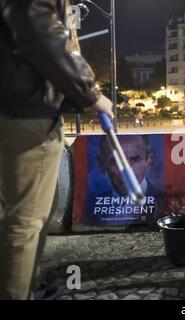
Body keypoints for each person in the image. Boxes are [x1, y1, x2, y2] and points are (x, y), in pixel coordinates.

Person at [0, 0, 114, 299]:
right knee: (25, 221)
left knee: (33, 213)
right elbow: (38, 28)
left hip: (26, 108)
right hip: (26, 112)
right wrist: (90, 93)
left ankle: (26, 285)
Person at [89, 135, 164, 225]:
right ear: (102, 164)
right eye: (115, 162)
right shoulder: (89, 207)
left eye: (134, 160)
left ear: (149, 161)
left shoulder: (164, 202)